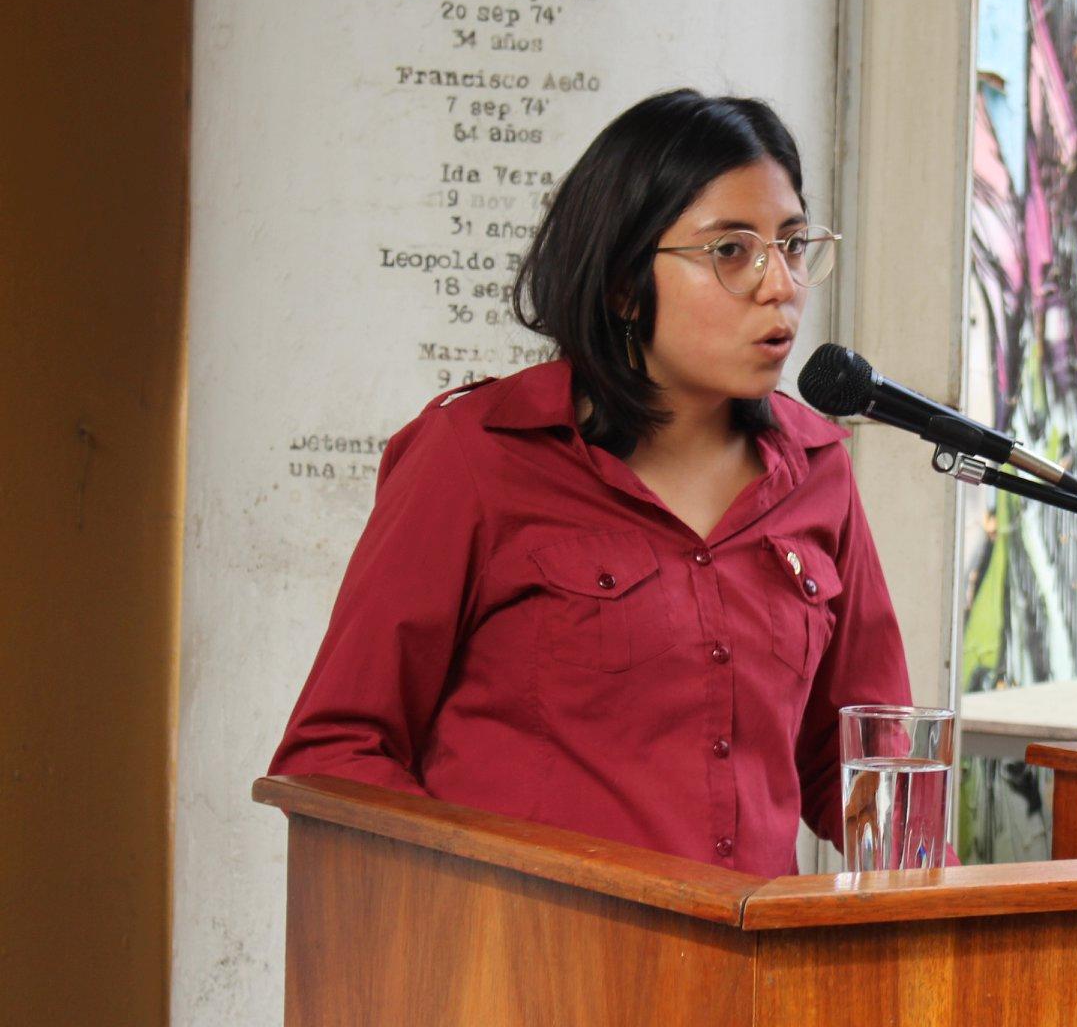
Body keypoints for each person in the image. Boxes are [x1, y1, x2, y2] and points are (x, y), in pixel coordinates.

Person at [268, 89, 918, 876]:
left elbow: (866, 769)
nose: (780, 284)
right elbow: (336, 751)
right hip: (529, 979)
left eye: (790, 244)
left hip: (752, 985)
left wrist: (933, 916)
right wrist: (471, 924)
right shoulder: (475, 456)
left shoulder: (820, 473)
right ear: (621, 283)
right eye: (732, 251)